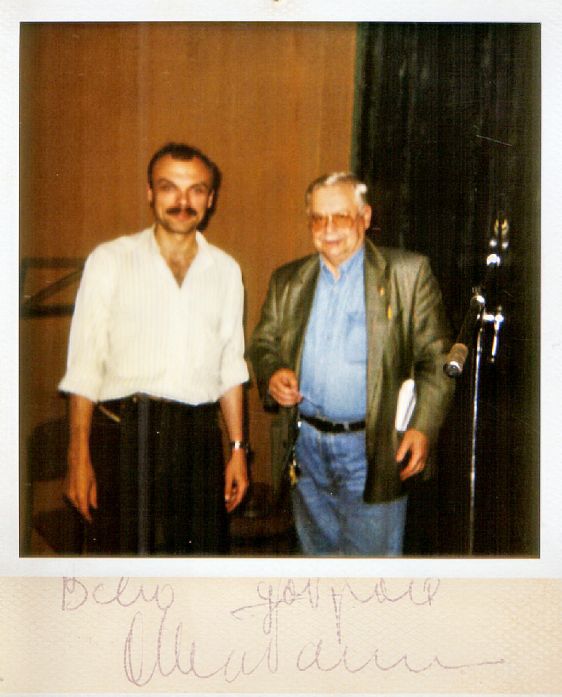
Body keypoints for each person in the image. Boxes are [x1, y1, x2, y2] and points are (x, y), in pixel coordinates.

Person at [247, 172, 454, 556]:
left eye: (340, 217)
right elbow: (262, 344)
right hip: (306, 449)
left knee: (371, 572)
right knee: (316, 564)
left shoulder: (407, 274)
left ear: (365, 217)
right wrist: (273, 371)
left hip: (372, 449)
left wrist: (422, 426)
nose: (328, 229)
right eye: (318, 219)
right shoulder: (288, 281)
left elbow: (437, 359)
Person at [59, 142, 249, 555]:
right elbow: (84, 364)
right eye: (169, 188)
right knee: (120, 566)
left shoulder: (226, 270)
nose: (183, 201)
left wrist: (237, 449)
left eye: (196, 190)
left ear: (211, 199)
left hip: (198, 440)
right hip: (125, 436)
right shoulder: (110, 260)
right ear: (150, 193)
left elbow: (231, 366)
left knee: (199, 567)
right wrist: (78, 455)